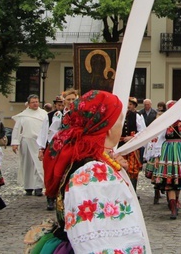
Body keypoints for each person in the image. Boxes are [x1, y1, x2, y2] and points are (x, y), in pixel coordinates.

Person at [41, 90, 149, 252]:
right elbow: (100, 242)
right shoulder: (94, 173)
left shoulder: (81, 156)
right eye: (120, 120)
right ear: (109, 128)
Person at [151, 100, 181, 219]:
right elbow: (160, 138)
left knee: (178, 179)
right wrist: (157, 155)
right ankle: (173, 207)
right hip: (168, 151)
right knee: (170, 180)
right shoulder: (165, 121)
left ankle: (175, 201)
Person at [11, 94, 47, 196]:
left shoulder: (44, 114)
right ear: (29, 104)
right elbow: (17, 129)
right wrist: (15, 142)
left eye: (37, 101)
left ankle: (38, 187)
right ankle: (28, 186)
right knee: (27, 164)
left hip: (39, 142)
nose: (35, 104)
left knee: (38, 164)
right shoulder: (23, 115)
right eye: (33, 102)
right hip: (26, 141)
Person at [119, 97, 146, 191]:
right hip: (119, 147)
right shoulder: (117, 114)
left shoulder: (137, 116)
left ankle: (132, 191)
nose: (128, 106)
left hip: (132, 147)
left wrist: (132, 137)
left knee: (133, 169)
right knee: (119, 167)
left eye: (130, 104)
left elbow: (143, 131)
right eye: (127, 104)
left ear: (134, 106)